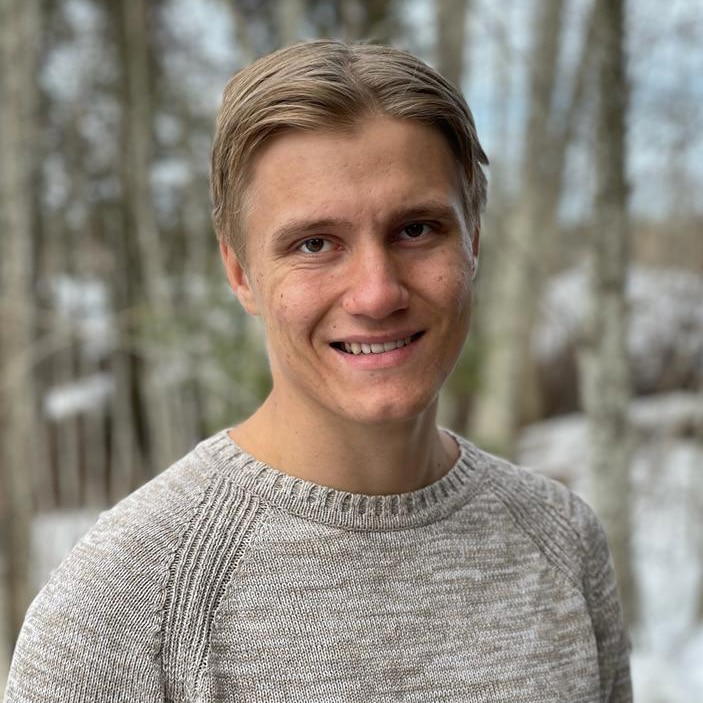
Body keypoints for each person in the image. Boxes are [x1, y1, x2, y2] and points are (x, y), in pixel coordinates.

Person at [4, 40, 632, 702]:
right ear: (241, 272)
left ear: (472, 237)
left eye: (415, 230)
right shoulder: (124, 602)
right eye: (314, 244)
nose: (376, 292)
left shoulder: (561, 541)